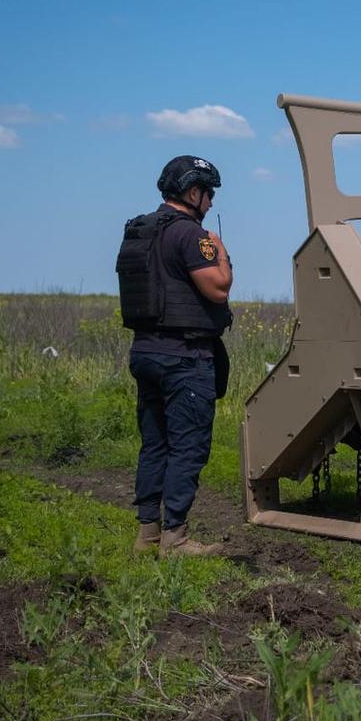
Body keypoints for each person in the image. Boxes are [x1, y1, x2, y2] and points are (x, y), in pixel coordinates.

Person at [115, 155, 233, 556]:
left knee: (155, 444)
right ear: (193, 192)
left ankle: (147, 536)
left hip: (145, 351)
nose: (212, 203)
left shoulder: (141, 229)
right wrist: (219, 250)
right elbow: (218, 288)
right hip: (184, 357)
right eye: (209, 193)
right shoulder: (190, 235)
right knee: (188, 446)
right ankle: (176, 539)